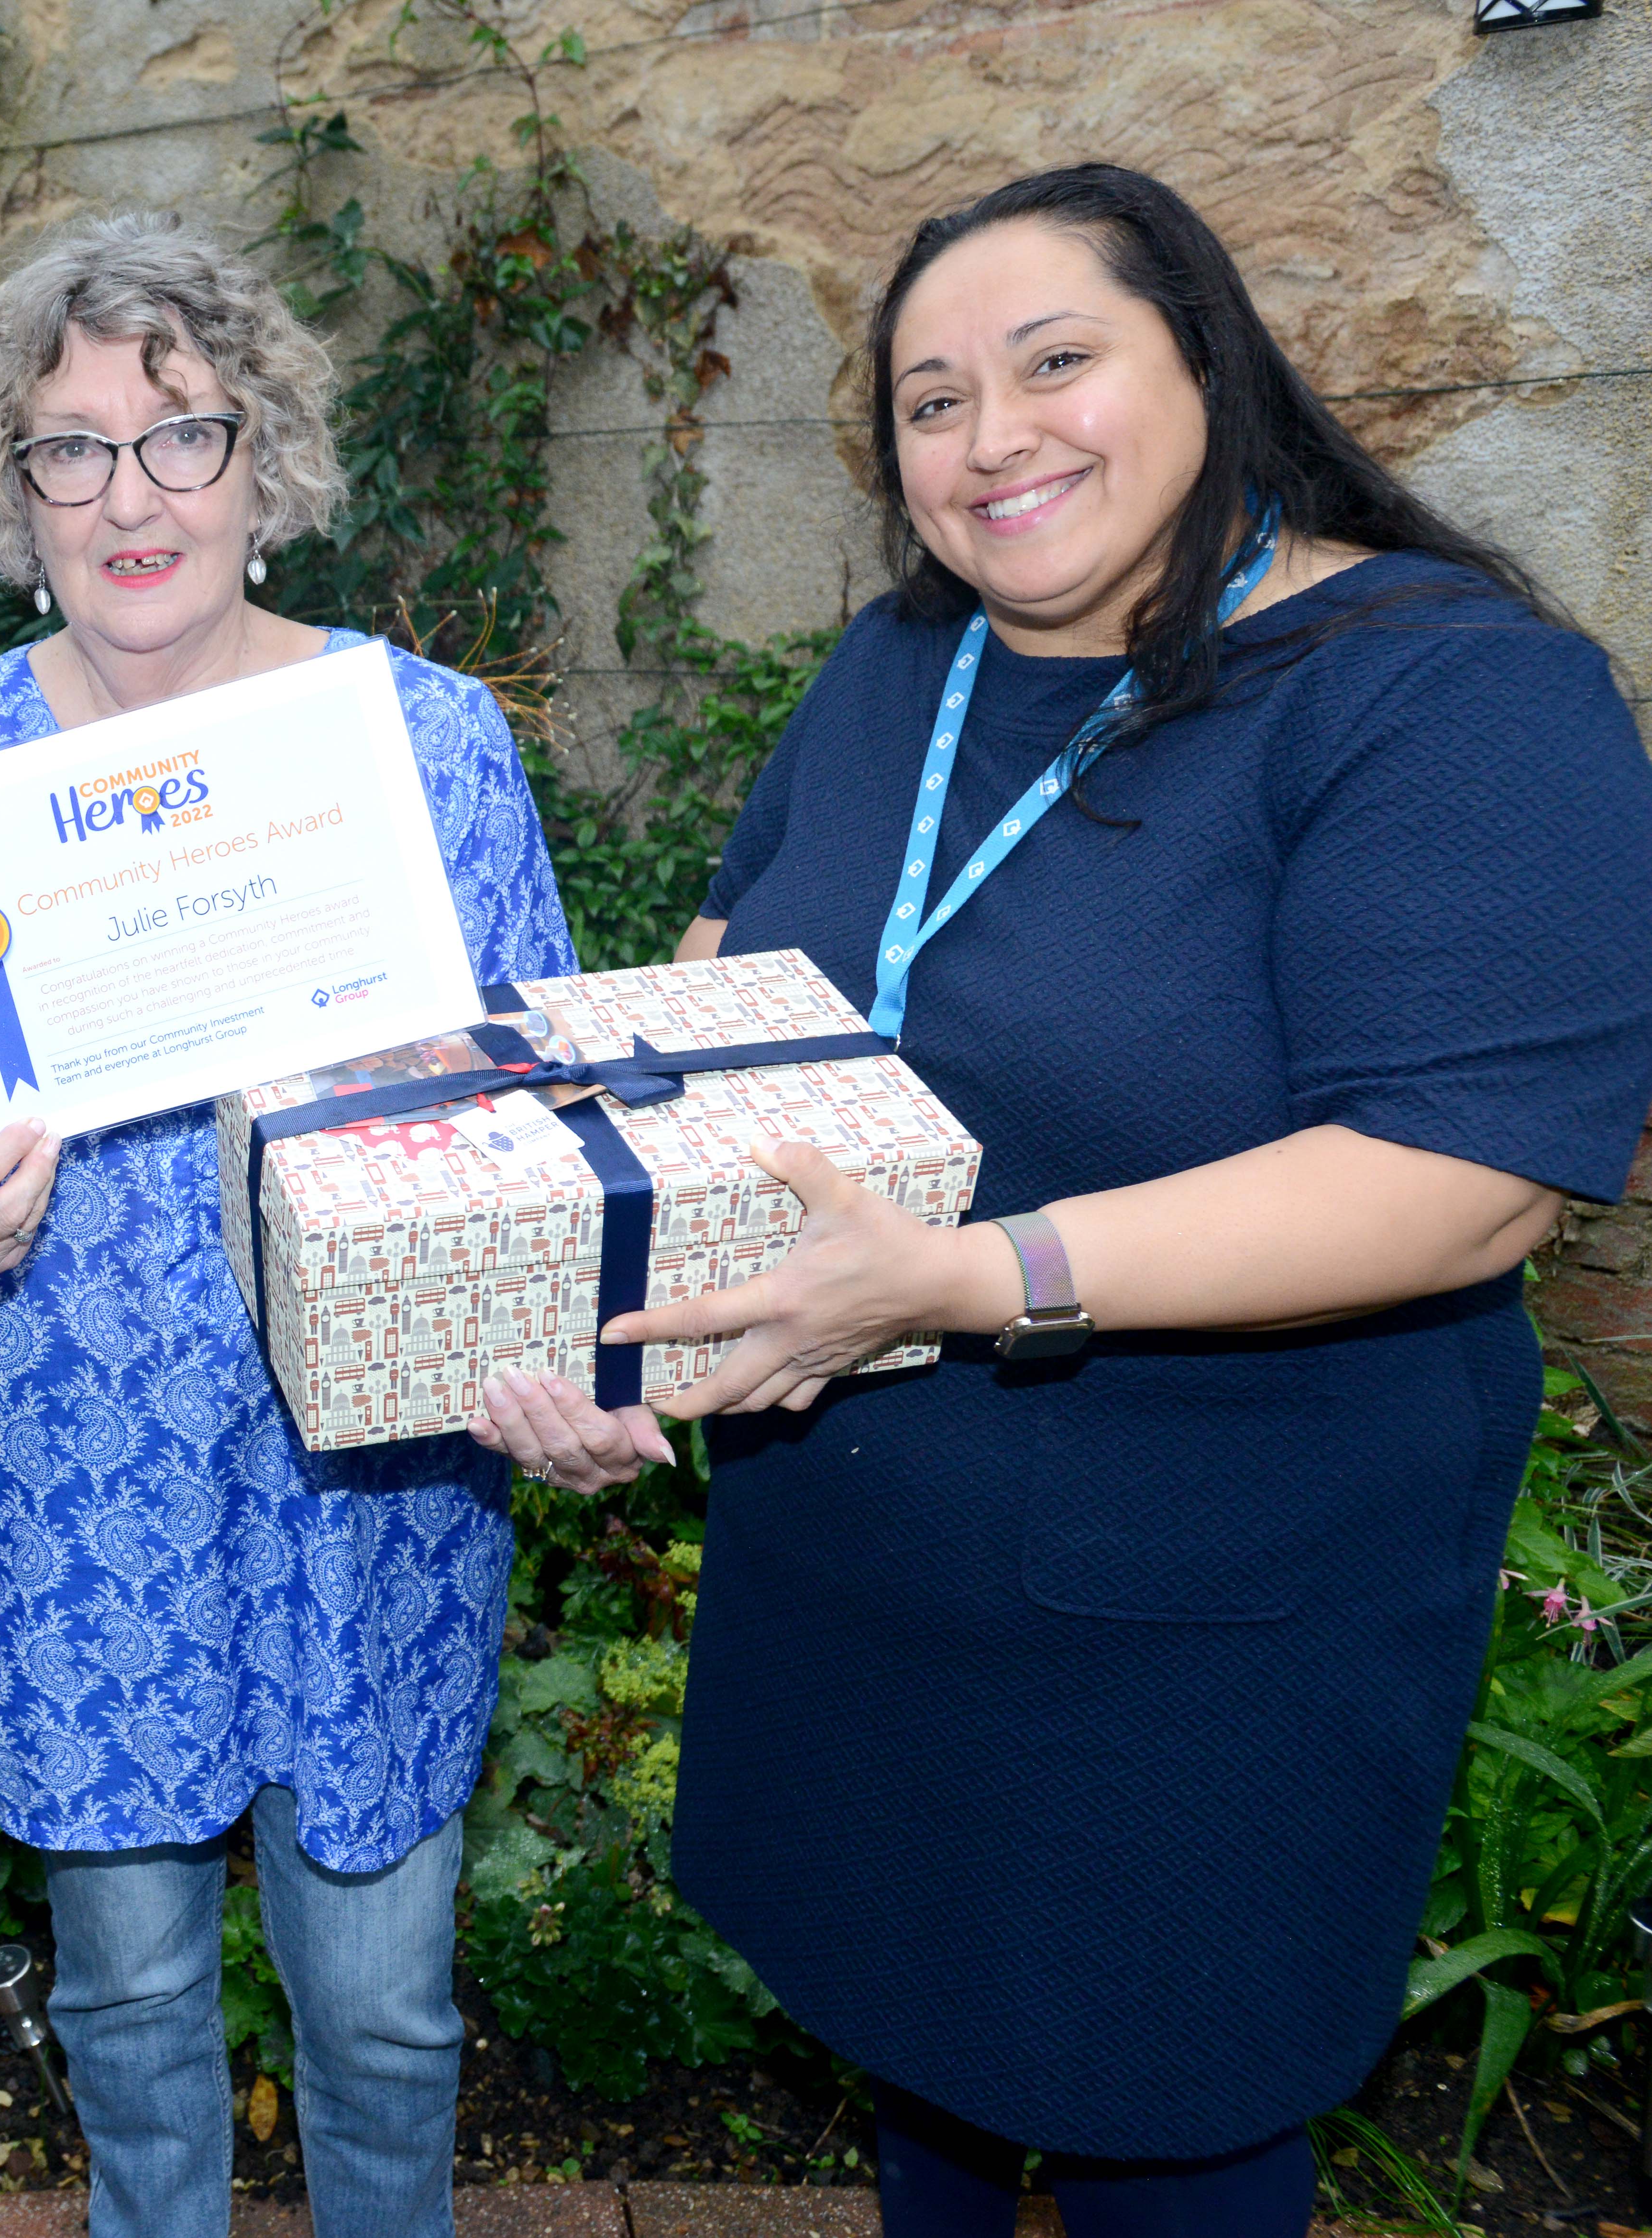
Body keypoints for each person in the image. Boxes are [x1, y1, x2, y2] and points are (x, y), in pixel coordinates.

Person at [504, 164, 1652, 2235]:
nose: (990, 437)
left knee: (1168, 2111)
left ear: (1203, 358)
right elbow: (722, 982)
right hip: (864, 1570)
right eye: (930, 401)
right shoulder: (901, 666)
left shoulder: (1445, 693)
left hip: (1202, 1617)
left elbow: (1460, 1181)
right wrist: (578, 1313)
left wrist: (962, 1277)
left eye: (1054, 363)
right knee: (914, 2052)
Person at [0, 212, 597, 2238]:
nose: (130, 495)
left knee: (384, 2015)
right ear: (18, 486)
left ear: (266, 463)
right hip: (75, 1488)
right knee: (133, 1994)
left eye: (180, 436)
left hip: (368, 1483)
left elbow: (540, 1114)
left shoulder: (422, 745)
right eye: (71, 448)